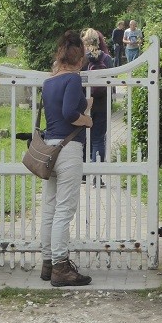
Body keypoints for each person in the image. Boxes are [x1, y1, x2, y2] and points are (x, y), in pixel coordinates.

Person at [38, 30, 93, 287]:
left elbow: (57, 113)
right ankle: (61, 267)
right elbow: (69, 113)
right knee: (64, 209)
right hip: (68, 150)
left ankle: (48, 263)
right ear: (79, 59)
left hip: (50, 148)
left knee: (50, 207)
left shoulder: (49, 82)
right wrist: (88, 119)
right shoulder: (72, 79)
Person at [81, 28, 114, 185]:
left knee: (83, 138)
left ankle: (82, 174)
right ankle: (97, 177)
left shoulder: (82, 60)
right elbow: (112, 83)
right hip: (102, 104)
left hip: (85, 105)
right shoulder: (107, 59)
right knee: (98, 139)